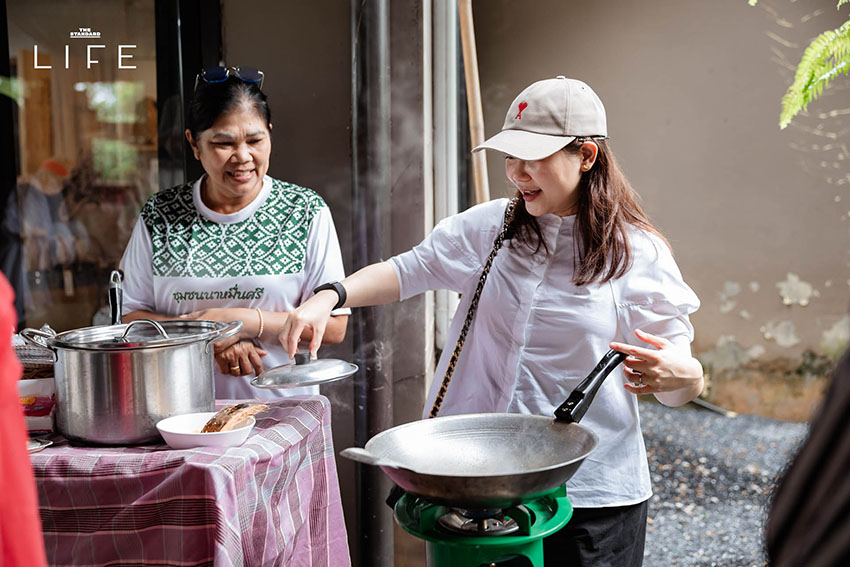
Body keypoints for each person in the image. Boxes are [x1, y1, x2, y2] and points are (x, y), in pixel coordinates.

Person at [280, 76, 704, 566]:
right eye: (510, 156)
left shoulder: (635, 254)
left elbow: (676, 385)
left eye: (534, 157)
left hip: (593, 493)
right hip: (484, 486)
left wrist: (687, 376)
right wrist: (328, 296)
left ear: (586, 156)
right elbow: (408, 270)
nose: (518, 172)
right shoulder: (491, 228)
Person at [120, 66, 349, 399]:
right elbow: (129, 317)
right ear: (194, 144)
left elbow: (335, 326)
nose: (243, 157)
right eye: (223, 143)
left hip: (282, 416)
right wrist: (211, 337)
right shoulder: (162, 214)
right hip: (178, 410)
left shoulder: (304, 211)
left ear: (270, 133)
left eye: (255, 140)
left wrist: (240, 321)